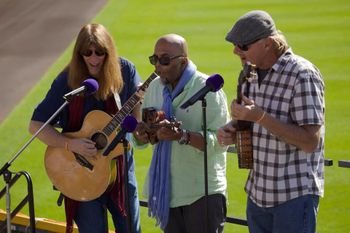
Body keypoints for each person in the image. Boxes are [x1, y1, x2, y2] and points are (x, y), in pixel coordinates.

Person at [217, 10, 325, 233]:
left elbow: (310, 142)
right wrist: (233, 128)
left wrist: (261, 117)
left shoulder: (302, 74)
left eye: (243, 45)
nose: (236, 50)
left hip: (293, 198)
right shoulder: (248, 73)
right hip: (257, 195)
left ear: (267, 43)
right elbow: (247, 122)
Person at [29, 23, 142, 233]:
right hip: (81, 172)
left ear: (109, 51)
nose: (93, 58)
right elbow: (36, 125)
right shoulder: (66, 81)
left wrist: (143, 124)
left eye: (100, 52)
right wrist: (71, 144)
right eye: (87, 53)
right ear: (78, 53)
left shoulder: (125, 70)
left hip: (120, 169)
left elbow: (137, 119)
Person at [132, 34, 229, 233]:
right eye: (154, 59)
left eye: (164, 60)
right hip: (168, 192)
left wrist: (182, 136)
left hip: (202, 193)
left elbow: (222, 142)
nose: (157, 66)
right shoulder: (154, 88)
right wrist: (141, 134)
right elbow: (146, 138)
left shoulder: (208, 89)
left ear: (183, 61)